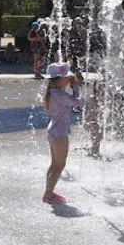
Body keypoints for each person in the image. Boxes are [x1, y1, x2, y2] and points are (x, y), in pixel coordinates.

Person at [43, 63, 83, 205]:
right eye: (67, 78)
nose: (68, 79)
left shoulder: (53, 93)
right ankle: (48, 194)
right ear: (59, 79)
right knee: (60, 165)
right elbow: (79, 102)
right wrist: (76, 87)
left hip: (53, 131)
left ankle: (48, 192)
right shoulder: (59, 94)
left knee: (54, 164)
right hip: (59, 134)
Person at [84, 80, 104, 158]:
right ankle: (93, 152)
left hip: (95, 121)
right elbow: (91, 111)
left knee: (99, 136)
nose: (102, 90)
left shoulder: (101, 98)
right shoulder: (93, 98)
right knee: (98, 135)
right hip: (89, 121)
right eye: (101, 88)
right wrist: (87, 122)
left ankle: (94, 151)